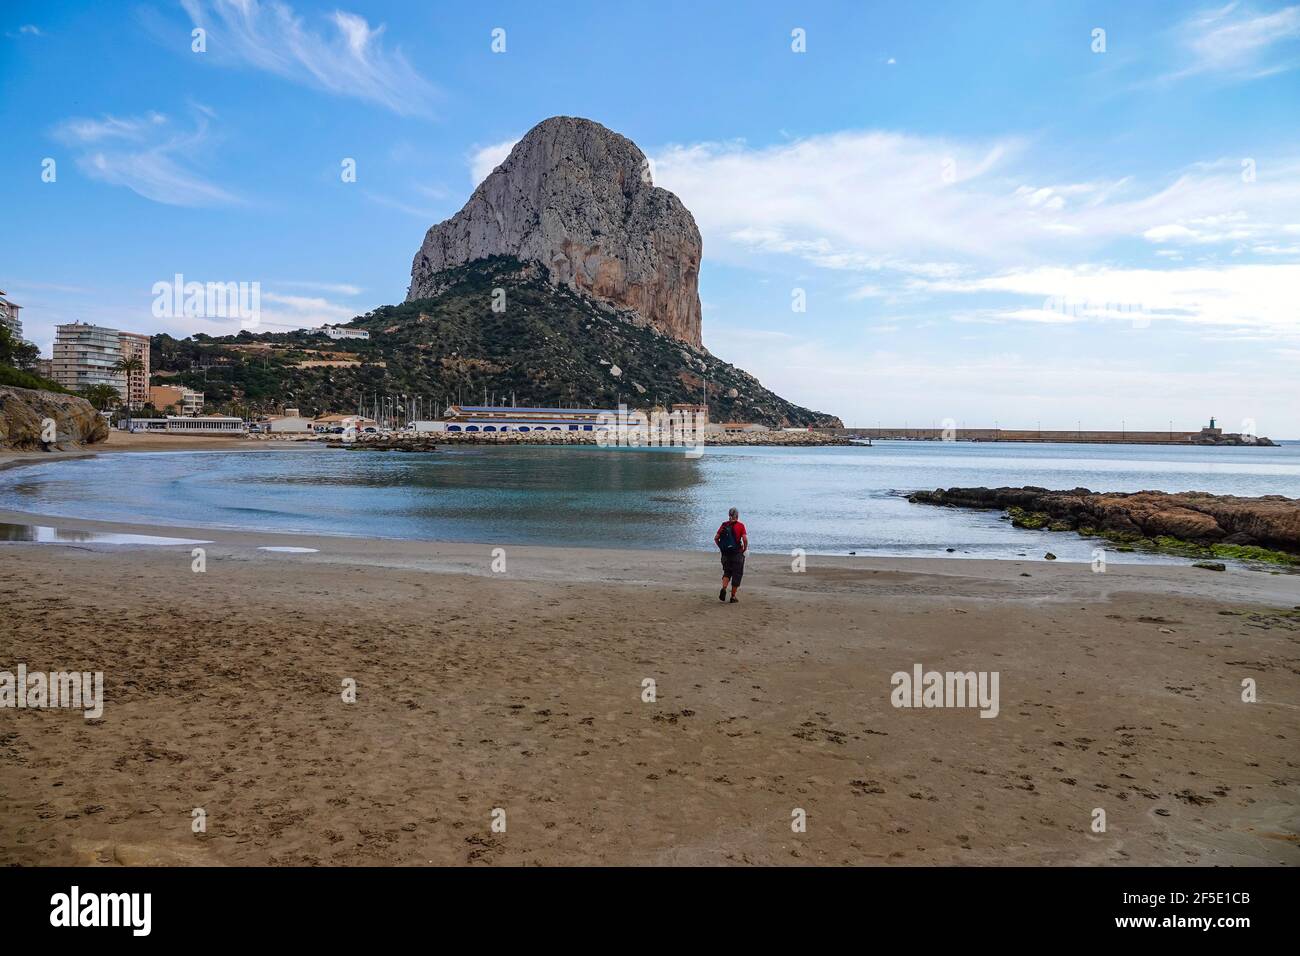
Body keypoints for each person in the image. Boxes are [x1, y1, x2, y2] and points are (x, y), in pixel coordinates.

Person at [714, 507, 748, 604]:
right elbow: (745, 539)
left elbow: (716, 538)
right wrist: (745, 548)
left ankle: (724, 588)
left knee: (727, 572)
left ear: (729, 515)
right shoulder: (740, 525)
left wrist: (721, 547)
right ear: (737, 515)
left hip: (725, 554)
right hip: (737, 553)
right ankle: (733, 596)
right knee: (737, 574)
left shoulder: (724, 525)